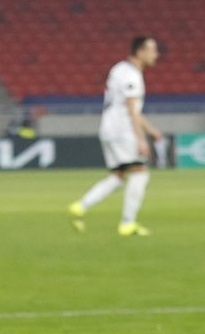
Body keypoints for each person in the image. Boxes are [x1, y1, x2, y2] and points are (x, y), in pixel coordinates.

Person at [68, 36, 162, 237]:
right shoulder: (132, 74)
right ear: (140, 51)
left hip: (109, 128)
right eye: (152, 50)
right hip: (123, 129)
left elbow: (129, 108)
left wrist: (151, 130)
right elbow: (131, 109)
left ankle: (81, 206)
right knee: (140, 172)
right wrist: (140, 138)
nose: (156, 55)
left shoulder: (119, 68)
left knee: (119, 176)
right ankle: (128, 223)